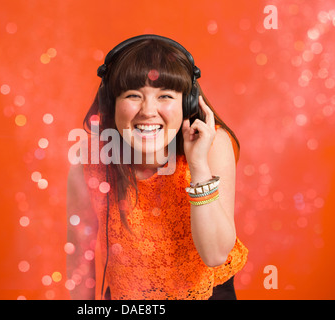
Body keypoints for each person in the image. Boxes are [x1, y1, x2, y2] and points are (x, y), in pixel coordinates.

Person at [67, 34, 248, 300]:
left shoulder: (212, 146)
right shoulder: (91, 161)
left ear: (187, 103)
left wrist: (198, 165)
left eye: (165, 95)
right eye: (133, 95)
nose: (149, 111)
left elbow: (215, 254)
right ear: (111, 103)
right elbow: (80, 260)